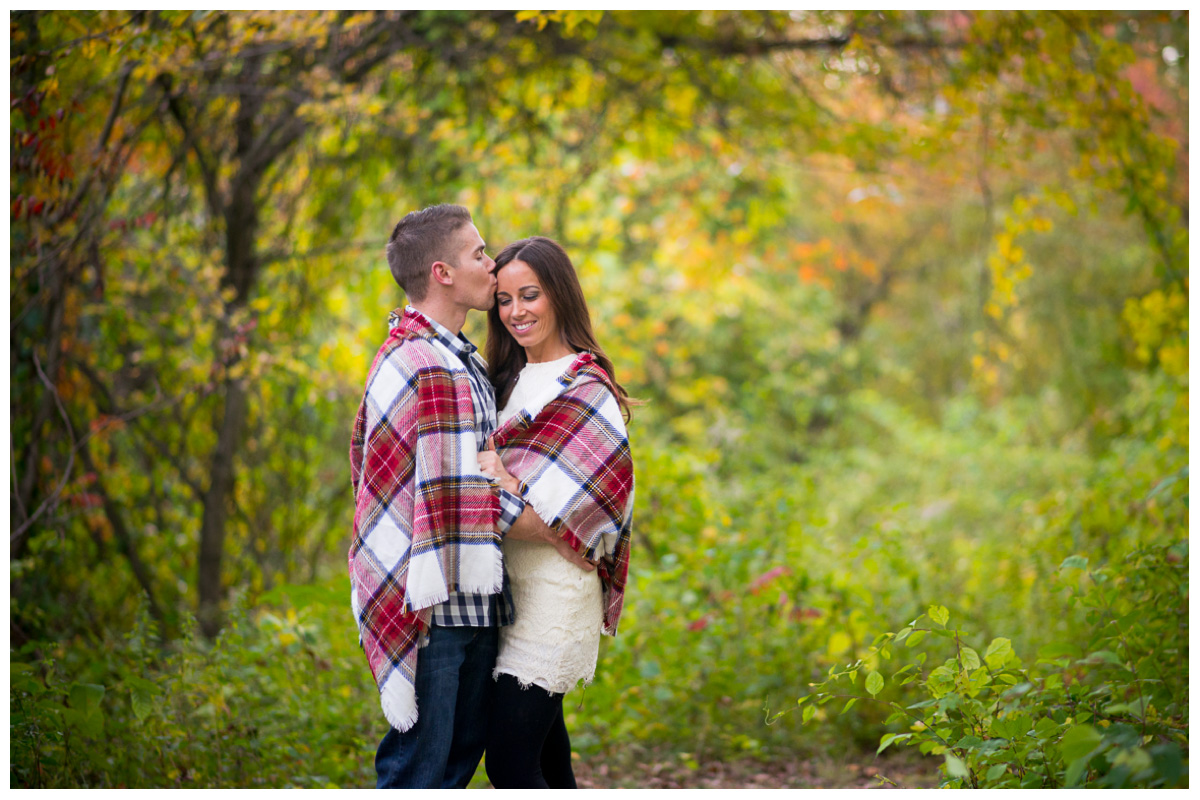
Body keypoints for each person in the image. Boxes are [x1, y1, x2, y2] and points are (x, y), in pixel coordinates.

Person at [348, 206, 587, 789]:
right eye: (478, 253)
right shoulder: (426, 364)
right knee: (419, 771)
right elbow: (460, 498)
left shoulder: (460, 359)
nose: (491, 262)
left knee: (452, 764)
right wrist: (566, 536)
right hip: (434, 601)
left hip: (469, 595)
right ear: (443, 273)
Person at [477, 236, 636, 789]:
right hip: (504, 593)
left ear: (560, 296)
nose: (517, 311)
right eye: (504, 299)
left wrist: (496, 482)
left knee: (510, 764)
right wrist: (513, 493)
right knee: (548, 761)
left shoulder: (587, 388)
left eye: (531, 295)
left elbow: (583, 526)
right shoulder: (500, 383)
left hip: (557, 598)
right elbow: (539, 517)